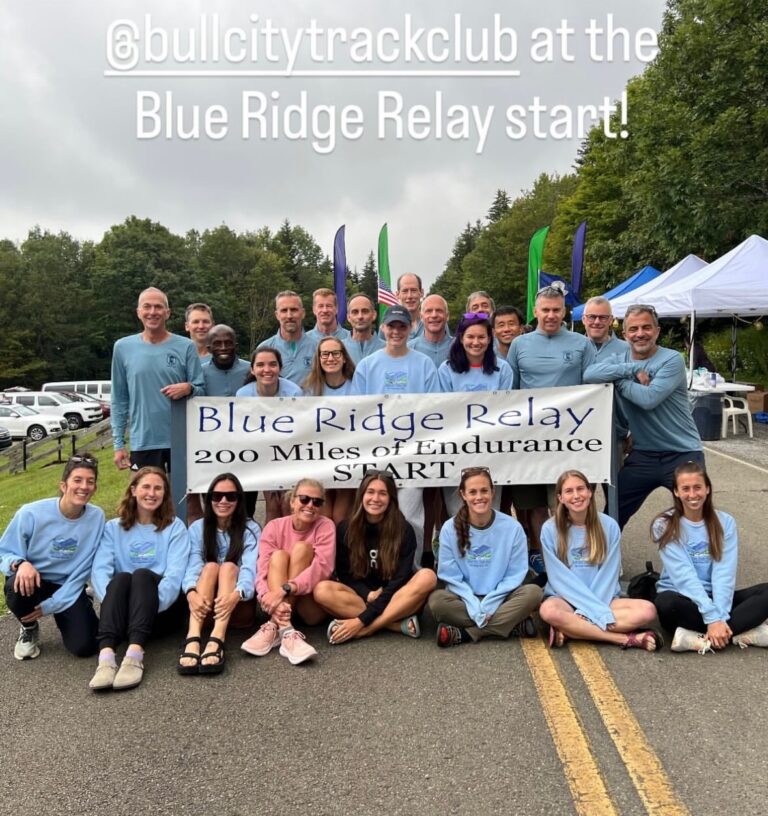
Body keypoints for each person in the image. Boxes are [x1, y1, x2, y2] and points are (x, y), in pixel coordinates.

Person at [583, 304, 704, 529]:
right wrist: (630, 371)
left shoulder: (671, 359)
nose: (640, 334)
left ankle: (701, 561)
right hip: (643, 454)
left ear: (657, 331)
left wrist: (617, 379)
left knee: (696, 514)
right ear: (625, 334)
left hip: (681, 451)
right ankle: (599, 560)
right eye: (634, 329)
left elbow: (648, 399)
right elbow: (590, 374)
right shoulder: (622, 360)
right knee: (612, 515)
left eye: (646, 327)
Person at [507, 282, 594, 574]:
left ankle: (572, 559)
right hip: (530, 440)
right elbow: (511, 390)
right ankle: (546, 559)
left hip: (569, 439)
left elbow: (594, 388)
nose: (551, 315)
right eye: (545, 310)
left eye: (557, 310)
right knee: (534, 507)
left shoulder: (581, 343)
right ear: (535, 311)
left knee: (566, 503)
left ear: (564, 311)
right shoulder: (520, 344)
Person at [88, 467, 189, 691]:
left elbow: (174, 577)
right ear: (133, 490)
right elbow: (100, 571)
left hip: (162, 614)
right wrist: (118, 606)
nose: (151, 493)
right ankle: (106, 658)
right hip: (122, 616)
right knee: (122, 577)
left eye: (158, 488)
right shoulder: (113, 528)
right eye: (146, 487)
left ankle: (135, 655)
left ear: (164, 494)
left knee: (142, 575)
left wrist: (146, 607)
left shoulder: (175, 528)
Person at [353, 304, 440, 562]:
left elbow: (434, 408)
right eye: (391, 326)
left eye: (402, 326)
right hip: (377, 451)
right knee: (376, 509)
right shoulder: (368, 365)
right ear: (383, 328)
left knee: (411, 514)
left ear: (411, 328)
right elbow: (357, 409)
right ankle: (376, 565)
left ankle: (410, 568)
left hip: (413, 451)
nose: (396, 331)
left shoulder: (424, 364)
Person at [653, 462, 768, 653]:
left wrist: (719, 616)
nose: (692, 494)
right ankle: (741, 632)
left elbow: (724, 572)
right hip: (682, 597)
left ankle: (699, 637)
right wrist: (712, 618)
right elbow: (683, 575)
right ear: (676, 492)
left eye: (697, 487)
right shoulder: (664, 524)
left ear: (707, 489)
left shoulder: (725, 522)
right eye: (685, 489)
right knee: (666, 603)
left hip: (714, 598)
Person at [539, 470, 660, 650]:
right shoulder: (550, 529)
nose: (576, 495)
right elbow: (558, 578)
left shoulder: (609, 526)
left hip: (602, 598)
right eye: (569, 491)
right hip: (564, 599)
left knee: (648, 610)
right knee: (548, 611)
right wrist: (590, 610)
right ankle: (623, 639)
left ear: (590, 492)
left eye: (581, 489)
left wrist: (588, 611)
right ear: (561, 498)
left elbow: (609, 574)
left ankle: (573, 630)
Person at [1, 454, 104, 660]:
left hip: (68, 585)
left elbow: (85, 567)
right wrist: (21, 563)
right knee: (15, 585)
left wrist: (53, 604)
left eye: (90, 482)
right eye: (77, 480)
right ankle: (29, 627)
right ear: (64, 485)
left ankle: (80, 603)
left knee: (86, 647)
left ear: (94, 488)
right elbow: (4, 551)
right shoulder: (30, 513)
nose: (84, 486)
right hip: (34, 581)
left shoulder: (97, 517)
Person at [313, 471, 437, 643]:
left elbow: (401, 579)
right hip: (362, 598)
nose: (375, 498)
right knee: (322, 590)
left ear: (391, 498)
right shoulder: (345, 529)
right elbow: (345, 575)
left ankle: (369, 629)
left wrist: (360, 623)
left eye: (383, 493)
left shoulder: (404, 530)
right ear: (361, 495)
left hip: (396, 597)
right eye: (370, 492)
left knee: (427, 576)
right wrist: (368, 594)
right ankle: (393, 624)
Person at [428, 467, 542, 647]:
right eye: (472, 492)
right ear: (463, 495)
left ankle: (465, 634)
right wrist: (473, 603)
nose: (479, 497)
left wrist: (490, 603)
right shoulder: (449, 529)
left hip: (502, 597)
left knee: (534, 593)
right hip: (464, 599)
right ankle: (511, 625)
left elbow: (514, 576)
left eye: (484, 491)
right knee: (436, 602)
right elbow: (451, 577)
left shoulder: (513, 528)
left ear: (493, 492)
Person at [241, 479, 335, 665]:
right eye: (304, 499)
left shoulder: (326, 525)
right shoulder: (274, 526)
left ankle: (274, 624)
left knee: (301, 549)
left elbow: (322, 569)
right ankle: (287, 630)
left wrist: (284, 589)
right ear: (292, 501)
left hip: (309, 607)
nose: (310, 505)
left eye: (317, 502)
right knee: (278, 556)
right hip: (276, 602)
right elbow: (262, 569)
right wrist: (266, 596)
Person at [112, 287, 205, 473]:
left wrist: (188, 388)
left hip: (182, 440)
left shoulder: (186, 347)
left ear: (167, 313)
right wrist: (118, 444)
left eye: (158, 307)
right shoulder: (122, 348)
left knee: (186, 500)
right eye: (147, 307)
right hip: (143, 441)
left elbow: (201, 390)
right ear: (139, 312)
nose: (153, 312)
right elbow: (119, 399)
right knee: (146, 498)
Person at [179, 473, 260, 674]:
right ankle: (193, 637)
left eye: (230, 496)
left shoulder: (251, 529)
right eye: (217, 496)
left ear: (239, 500)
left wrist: (237, 594)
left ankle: (218, 638)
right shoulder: (198, 528)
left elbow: (250, 569)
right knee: (210, 567)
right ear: (209, 499)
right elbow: (192, 565)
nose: (223, 501)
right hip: (203, 607)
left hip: (237, 608)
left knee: (229, 567)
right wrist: (191, 593)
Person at [236, 347, 301, 521]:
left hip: (289, 454)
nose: (267, 370)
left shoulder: (294, 392)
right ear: (252, 369)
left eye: (272, 364)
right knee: (272, 504)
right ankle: (270, 546)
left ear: (279, 368)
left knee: (287, 504)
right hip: (260, 455)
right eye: (260, 365)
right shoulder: (243, 394)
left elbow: (301, 429)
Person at [302, 337, 357, 523]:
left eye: (335, 353)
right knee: (323, 517)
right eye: (325, 354)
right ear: (318, 358)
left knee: (340, 518)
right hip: (319, 459)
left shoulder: (356, 385)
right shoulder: (309, 389)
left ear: (344, 358)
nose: (330, 358)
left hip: (349, 458)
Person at [437, 313, 513, 394]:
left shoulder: (503, 369)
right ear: (461, 339)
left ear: (489, 339)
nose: (476, 342)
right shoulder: (446, 369)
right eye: (470, 337)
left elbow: (505, 404)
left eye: (481, 337)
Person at [257, 290, 318, 386]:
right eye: (284, 310)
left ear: (303, 313)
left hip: (309, 401)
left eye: (294, 310)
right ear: (277, 315)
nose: (289, 316)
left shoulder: (318, 347)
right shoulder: (264, 348)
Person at [202, 324, 251, 397]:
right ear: (209, 349)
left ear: (236, 347)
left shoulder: (251, 370)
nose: (223, 348)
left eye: (228, 343)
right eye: (217, 344)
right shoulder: (200, 373)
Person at [408, 294, 452, 367]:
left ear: (447, 316)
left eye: (439, 310)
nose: (434, 315)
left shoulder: (460, 347)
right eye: (428, 311)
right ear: (421, 317)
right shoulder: (409, 349)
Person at [343, 292, 385, 364]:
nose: (360, 316)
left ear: (374, 315)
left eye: (365, 311)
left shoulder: (388, 349)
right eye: (355, 312)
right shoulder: (339, 348)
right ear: (348, 317)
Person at [394, 273, 425, 338]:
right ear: (397, 295)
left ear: (421, 292)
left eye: (414, 290)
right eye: (405, 291)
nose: (409, 296)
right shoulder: (389, 326)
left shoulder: (434, 323)